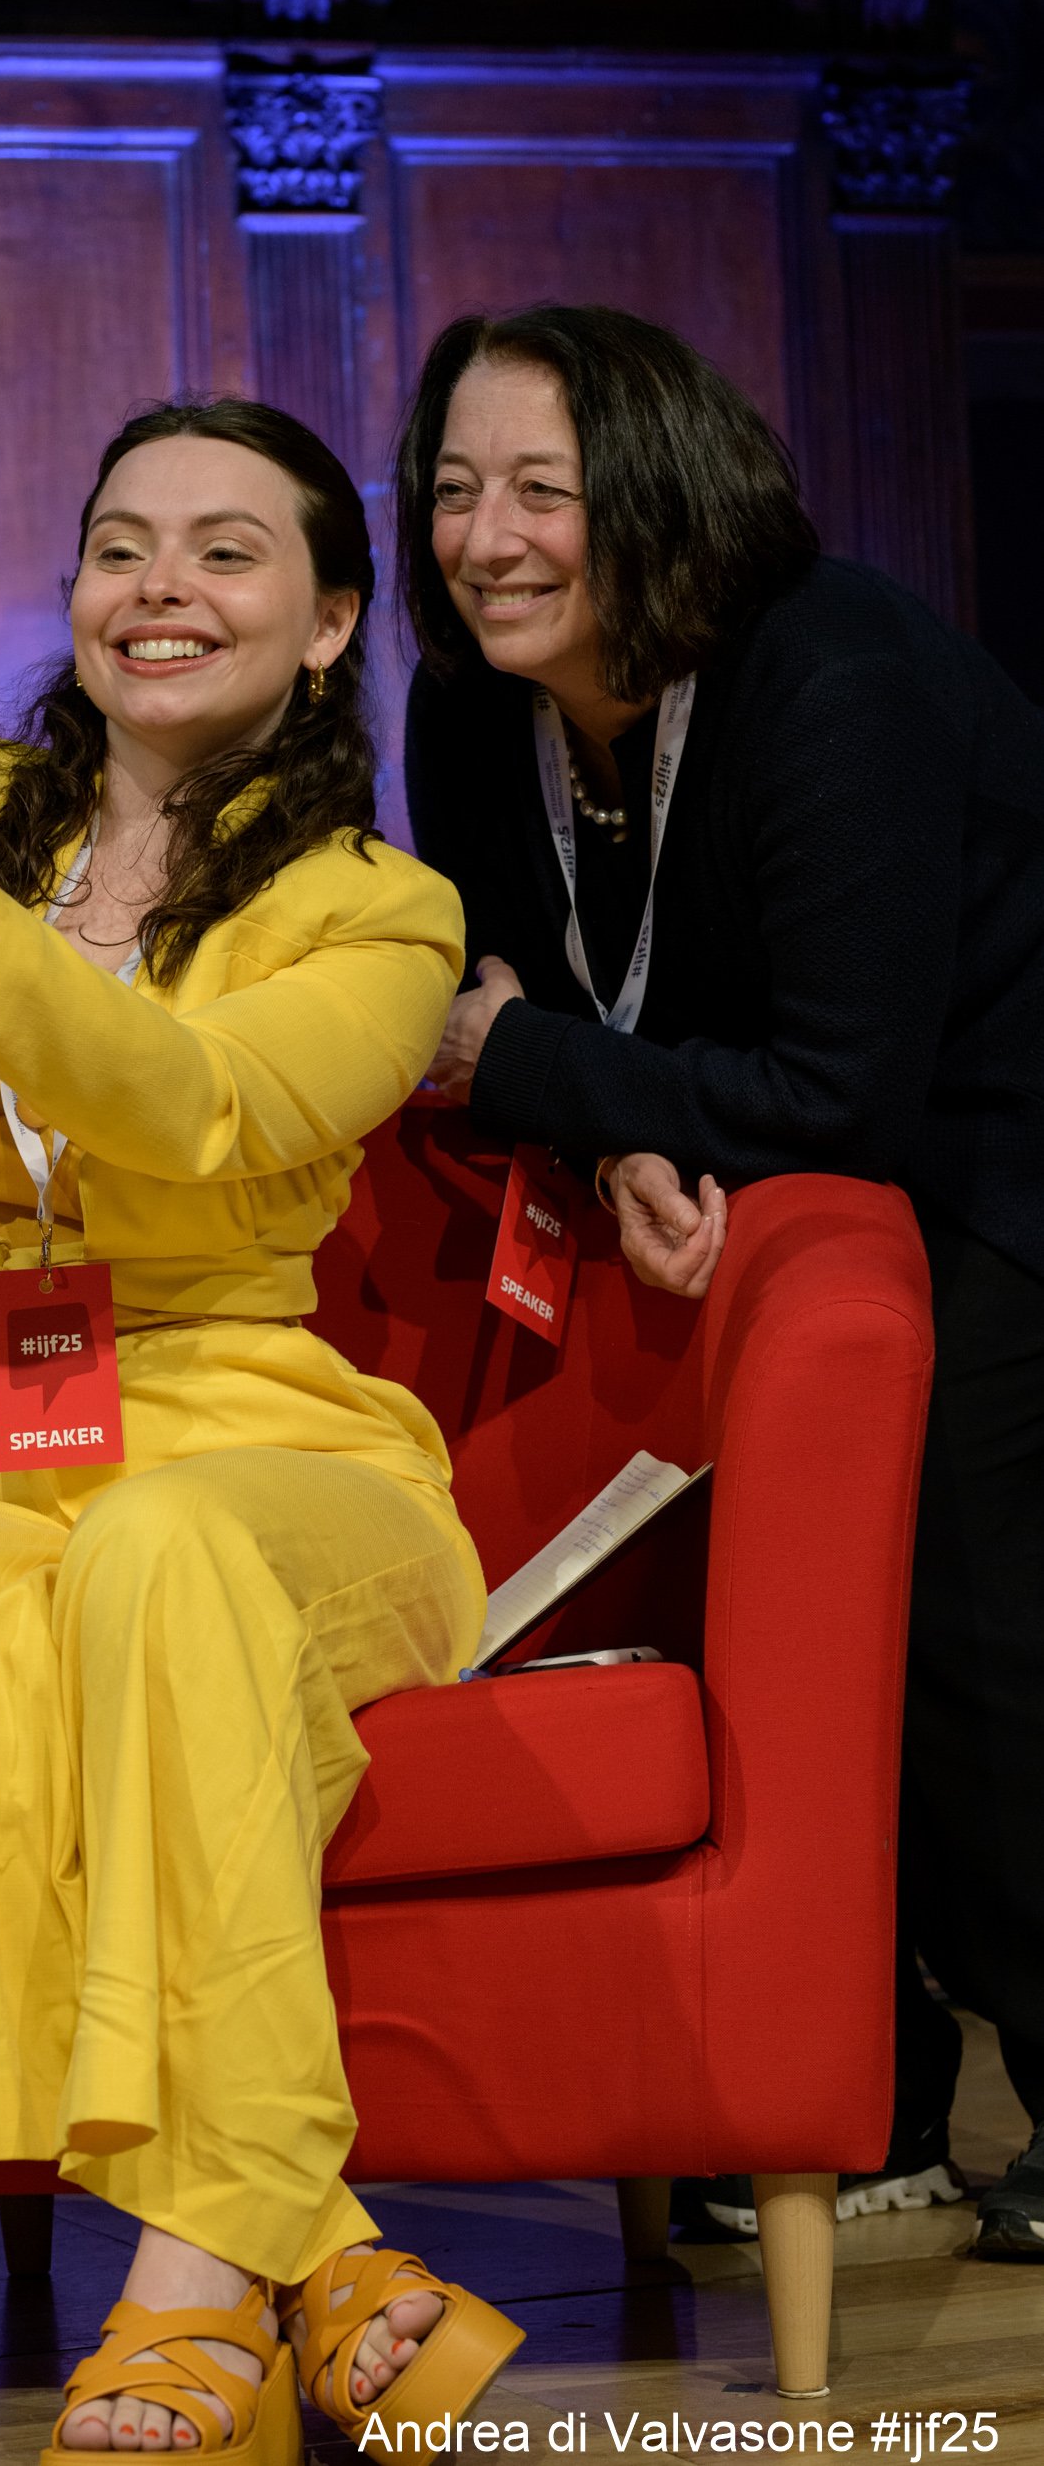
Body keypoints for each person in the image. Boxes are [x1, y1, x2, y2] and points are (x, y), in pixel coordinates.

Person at [0, 397, 527, 2459]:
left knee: (170, 1558)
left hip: (264, 1447)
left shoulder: (378, 908)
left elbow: (205, 1109)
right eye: (123, 544)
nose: (163, 587)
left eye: (230, 550)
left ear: (334, 621)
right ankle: (306, 2249)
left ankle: (178, 2291)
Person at [398, 302, 1044, 2260]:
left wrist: (530, 1068)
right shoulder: (467, 712)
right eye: (449, 491)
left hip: (991, 1171)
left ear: (660, 494)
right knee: (739, 1621)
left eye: (540, 490)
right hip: (753, 1189)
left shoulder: (828, 674)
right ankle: (866, 2097)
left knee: (970, 1625)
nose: (486, 538)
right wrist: (618, 1136)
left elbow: (832, 1080)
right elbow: (572, 1016)